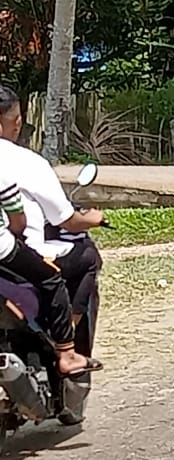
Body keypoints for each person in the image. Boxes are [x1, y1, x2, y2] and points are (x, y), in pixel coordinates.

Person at [0, 86, 104, 353]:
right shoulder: (26, 162)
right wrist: (92, 218)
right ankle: (65, 347)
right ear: (13, 122)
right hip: (10, 252)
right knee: (83, 260)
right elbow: (64, 220)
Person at [0, 166, 102, 377]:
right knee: (51, 278)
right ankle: (67, 353)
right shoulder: (13, 167)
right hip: (4, 250)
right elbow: (18, 219)